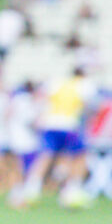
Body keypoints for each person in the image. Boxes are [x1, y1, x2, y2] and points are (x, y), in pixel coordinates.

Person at [15, 66, 93, 209]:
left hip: (50, 124)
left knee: (46, 156)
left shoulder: (56, 82)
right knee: (79, 157)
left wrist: (39, 117)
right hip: (70, 124)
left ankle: (31, 189)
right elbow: (89, 107)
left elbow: (40, 98)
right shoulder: (84, 84)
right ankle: (72, 191)